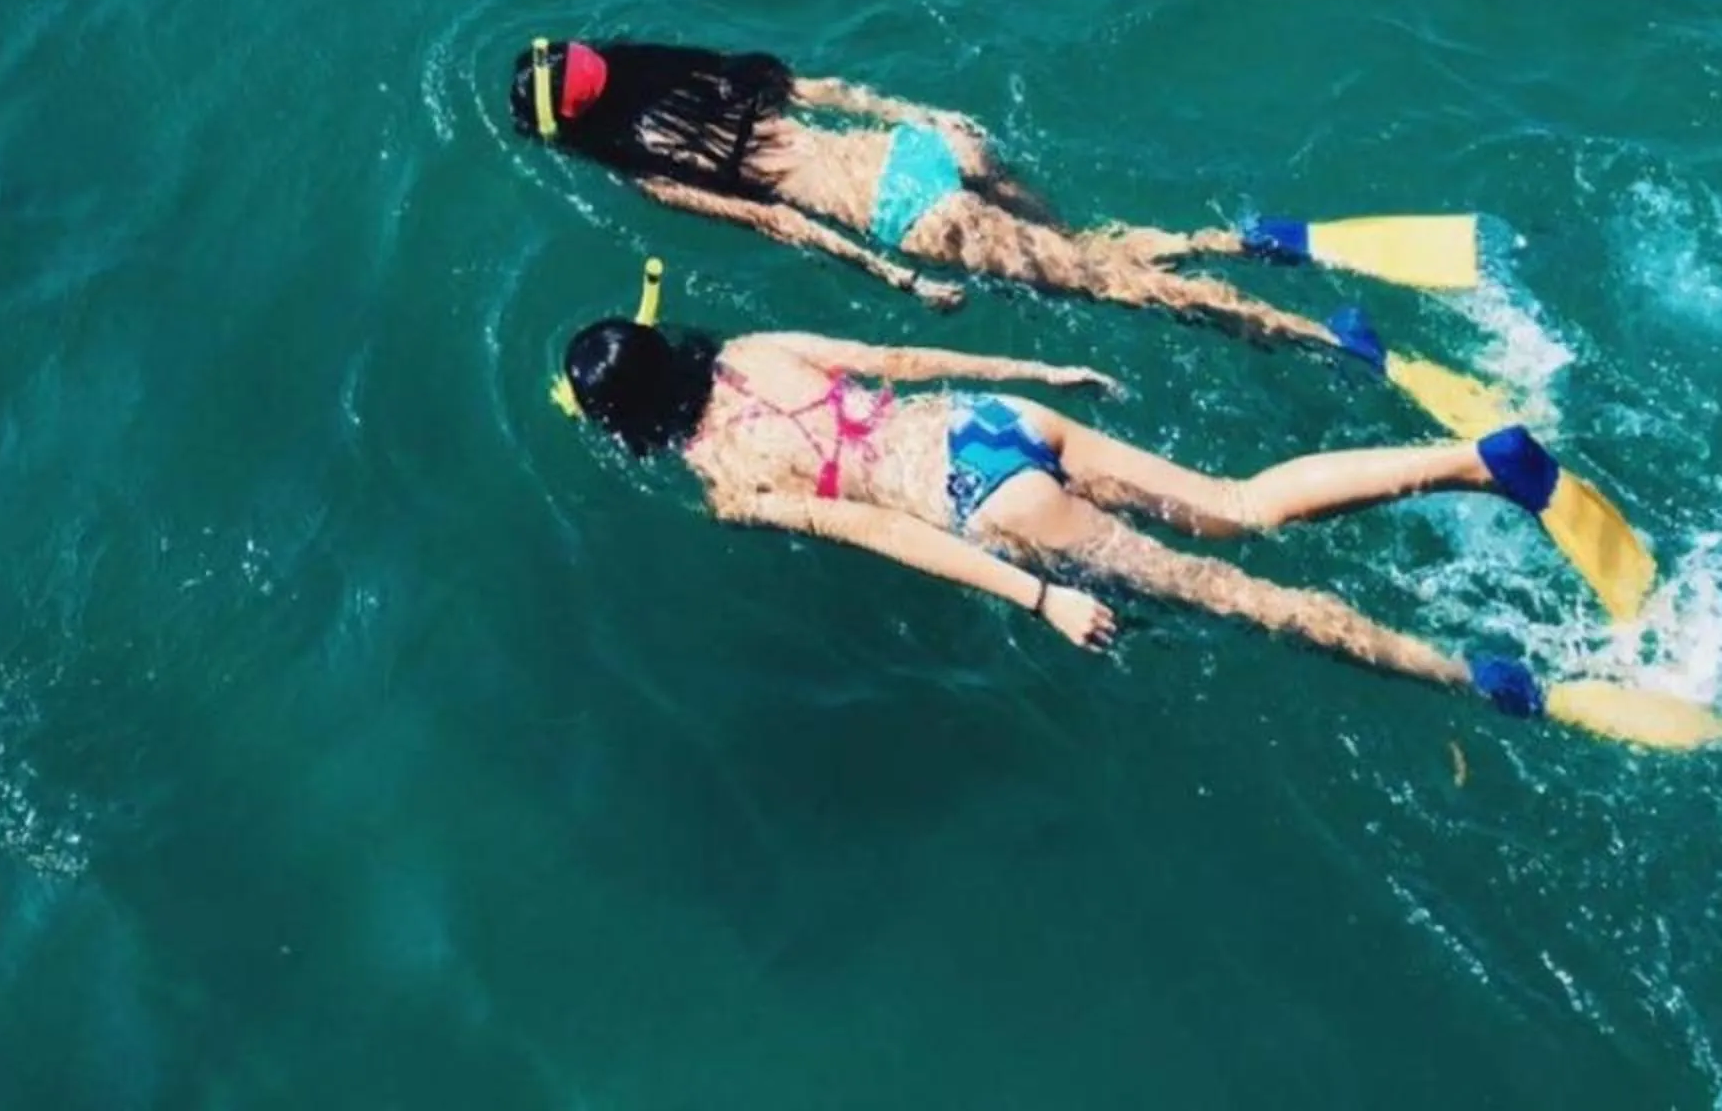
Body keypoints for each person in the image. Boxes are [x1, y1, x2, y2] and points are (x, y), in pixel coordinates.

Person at [556, 310, 1578, 722]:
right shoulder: (750, 347)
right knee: (1236, 503)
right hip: (991, 421)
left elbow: (885, 533)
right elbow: (902, 361)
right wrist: (1035, 368)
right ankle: (1475, 462)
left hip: (983, 505)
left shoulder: (730, 483)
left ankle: (1468, 676)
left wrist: (1038, 596)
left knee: (1244, 598)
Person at [509, 36, 1372, 358]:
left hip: (911, 219)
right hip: (921, 151)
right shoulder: (687, 70)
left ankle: (1317, 336)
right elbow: (822, 89)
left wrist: (898, 282)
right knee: (1085, 247)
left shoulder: (650, 168)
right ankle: (1231, 242)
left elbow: (778, 219)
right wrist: (925, 119)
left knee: (1116, 290)